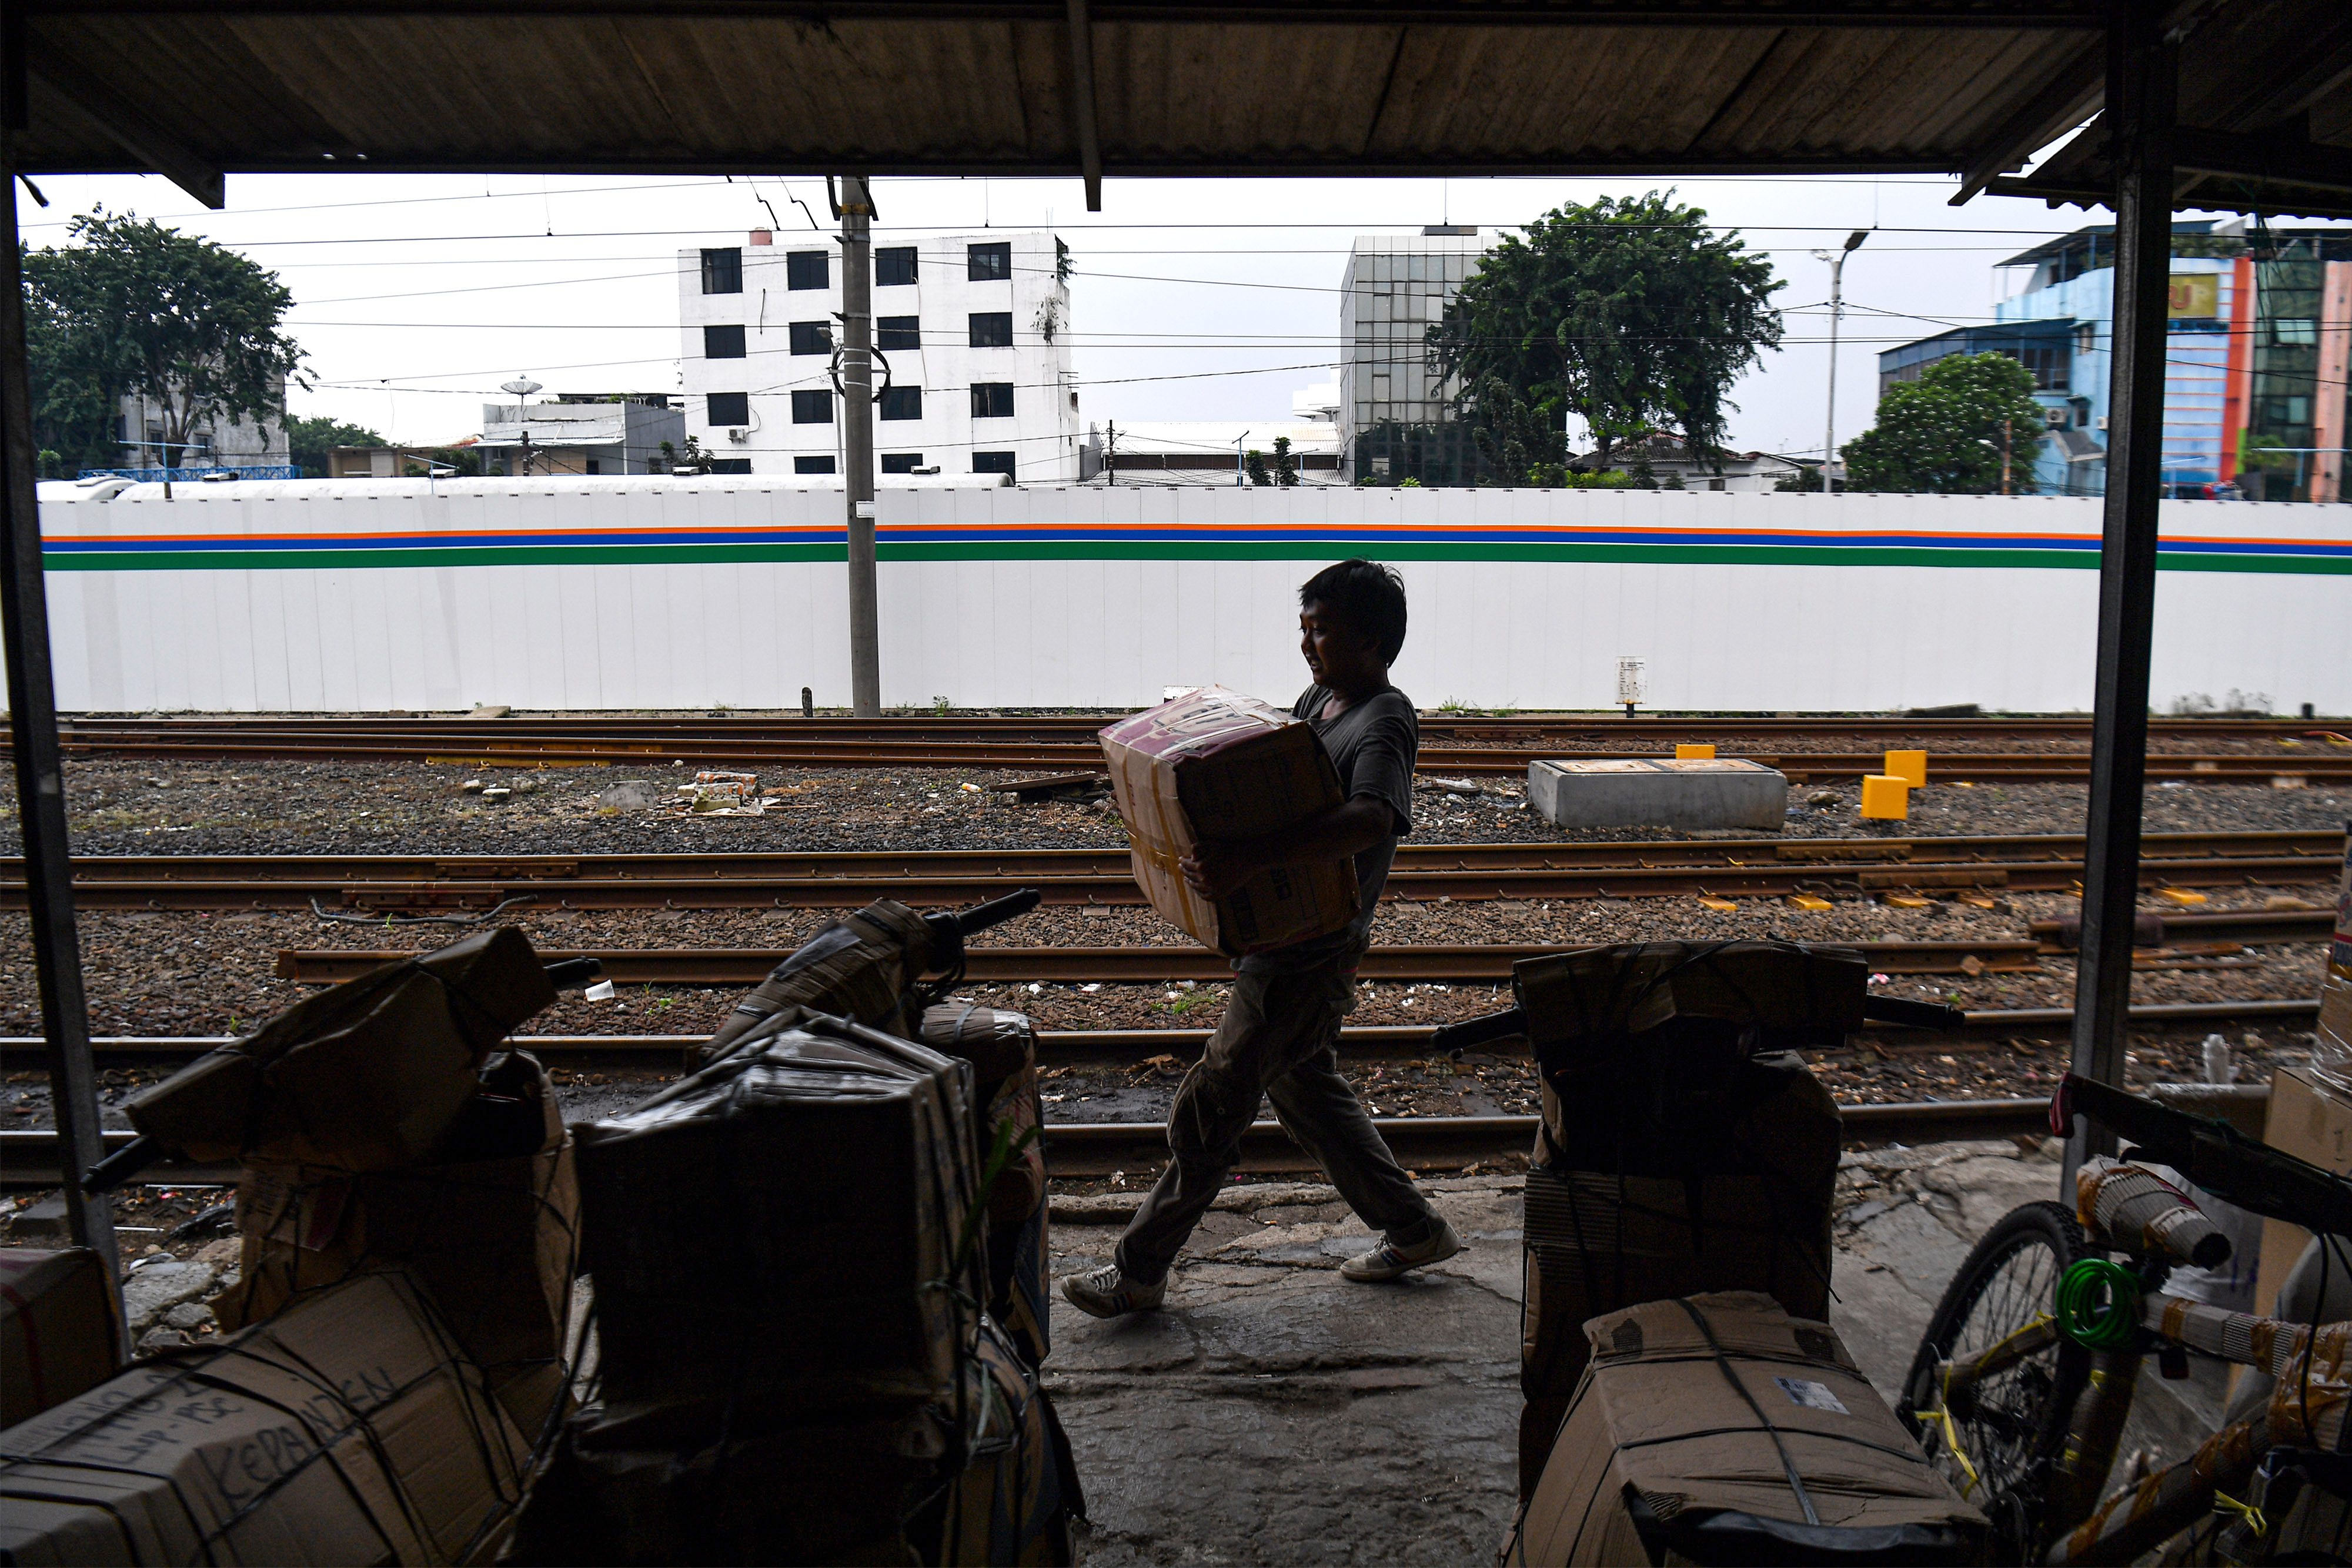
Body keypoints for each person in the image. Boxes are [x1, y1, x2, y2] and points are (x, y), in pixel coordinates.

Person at [1062, 559, 1462, 1319]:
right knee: (1307, 1093)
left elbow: (1374, 816)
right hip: (1280, 935)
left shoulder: (1383, 718)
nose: (1308, 645)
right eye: (1303, 629)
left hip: (1311, 947)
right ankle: (1415, 1231)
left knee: (1215, 1104)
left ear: (1374, 641)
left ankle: (1140, 1269)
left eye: (1324, 630)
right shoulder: (1322, 699)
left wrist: (1251, 856)